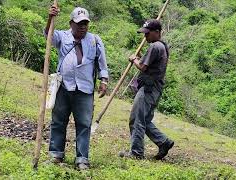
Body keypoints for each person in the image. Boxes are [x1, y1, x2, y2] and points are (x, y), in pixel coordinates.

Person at [44, 6, 109, 170]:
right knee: (58, 121)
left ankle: (82, 159)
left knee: (84, 124)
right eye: (79, 23)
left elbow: (102, 63)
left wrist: (104, 80)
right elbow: (48, 36)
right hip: (64, 87)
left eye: (85, 23)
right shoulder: (62, 36)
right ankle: (55, 154)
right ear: (71, 23)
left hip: (85, 89)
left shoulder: (94, 40)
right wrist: (50, 18)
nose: (83, 27)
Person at [120, 19, 174, 160]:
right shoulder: (162, 46)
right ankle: (163, 142)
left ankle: (136, 153)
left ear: (157, 32)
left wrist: (134, 59)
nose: (145, 37)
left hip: (149, 89)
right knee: (144, 120)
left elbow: (143, 66)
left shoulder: (155, 46)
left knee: (136, 119)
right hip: (155, 89)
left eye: (147, 33)